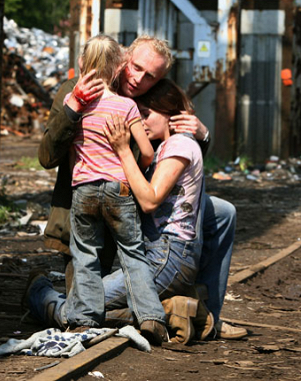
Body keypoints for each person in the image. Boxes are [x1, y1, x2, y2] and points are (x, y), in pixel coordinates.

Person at [38, 35, 244, 338]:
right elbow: (46, 156)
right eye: (135, 68)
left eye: (151, 76)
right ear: (123, 59)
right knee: (84, 313)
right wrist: (74, 109)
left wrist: (201, 135)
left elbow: (177, 162)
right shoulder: (79, 89)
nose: (139, 79)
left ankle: (208, 316)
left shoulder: (145, 102)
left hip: (134, 211)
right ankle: (170, 309)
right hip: (90, 212)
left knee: (223, 212)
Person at [26, 79, 209, 342]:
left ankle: (38, 293)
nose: (141, 122)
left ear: (171, 115)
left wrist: (123, 150)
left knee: (82, 308)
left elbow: (149, 201)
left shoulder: (179, 145)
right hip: (163, 256)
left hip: (166, 258)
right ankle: (174, 310)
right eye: (138, 114)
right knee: (92, 301)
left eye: (146, 114)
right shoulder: (166, 146)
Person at [61, 35, 166, 343]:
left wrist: (79, 175)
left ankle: (84, 319)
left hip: (83, 188)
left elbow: (69, 150)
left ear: (83, 64)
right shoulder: (126, 106)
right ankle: (150, 317)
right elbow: (146, 152)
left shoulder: (76, 104)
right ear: (120, 66)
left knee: (84, 254)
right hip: (119, 188)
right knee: (132, 253)